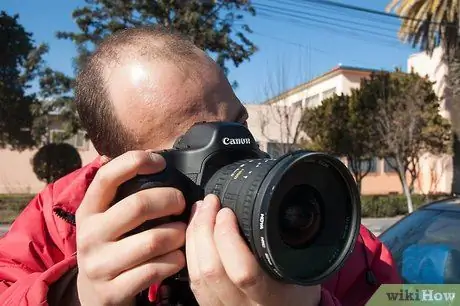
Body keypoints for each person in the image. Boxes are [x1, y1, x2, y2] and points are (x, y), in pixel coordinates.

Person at [0, 26, 401, 306]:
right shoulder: (60, 217)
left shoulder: (317, 223)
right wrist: (73, 295)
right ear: (121, 170)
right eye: (194, 147)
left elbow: (412, 300)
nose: (238, 155)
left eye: (237, 125)